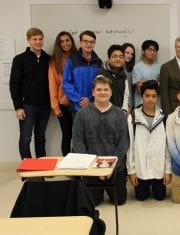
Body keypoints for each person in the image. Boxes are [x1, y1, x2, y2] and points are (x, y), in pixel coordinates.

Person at [72, 75, 129, 206]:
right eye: (99, 90)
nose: (102, 92)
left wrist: (110, 167)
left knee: (119, 201)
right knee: (93, 202)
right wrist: (94, 168)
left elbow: (123, 142)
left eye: (106, 89)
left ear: (111, 92)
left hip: (115, 167)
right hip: (91, 167)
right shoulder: (82, 114)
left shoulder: (119, 114)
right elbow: (78, 142)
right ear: (92, 92)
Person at [9, 27, 51, 159]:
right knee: (25, 138)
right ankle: (27, 170)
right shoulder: (19, 59)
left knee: (41, 137)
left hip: (45, 106)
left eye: (40, 39)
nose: (38, 42)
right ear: (28, 40)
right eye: (35, 39)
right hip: (27, 106)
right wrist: (18, 107)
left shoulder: (48, 59)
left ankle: (42, 168)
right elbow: (14, 84)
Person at [127, 80, 171, 201]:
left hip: (159, 170)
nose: (150, 99)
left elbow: (168, 147)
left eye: (153, 96)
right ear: (141, 97)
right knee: (141, 197)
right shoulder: (134, 116)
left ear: (158, 97)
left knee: (160, 197)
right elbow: (130, 146)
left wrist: (168, 171)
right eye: (147, 96)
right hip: (141, 169)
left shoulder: (164, 117)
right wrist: (131, 171)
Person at [48, 31, 78, 156]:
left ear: (71, 41)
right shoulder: (55, 62)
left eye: (68, 40)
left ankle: (79, 164)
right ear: (58, 44)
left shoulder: (78, 58)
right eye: (62, 41)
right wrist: (55, 106)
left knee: (78, 135)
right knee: (67, 135)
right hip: (64, 104)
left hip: (78, 103)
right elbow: (53, 85)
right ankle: (68, 164)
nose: (65, 43)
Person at [63, 30, 102, 114]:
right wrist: (79, 99)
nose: (88, 44)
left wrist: (90, 98)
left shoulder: (98, 62)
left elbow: (101, 84)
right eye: (85, 41)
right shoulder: (72, 60)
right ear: (80, 42)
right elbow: (66, 83)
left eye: (91, 42)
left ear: (94, 43)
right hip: (77, 106)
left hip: (94, 106)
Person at [97, 44, 129, 112]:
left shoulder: (123, 75)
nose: (118, 59)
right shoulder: (102, 75)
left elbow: (126, 95)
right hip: (105, 113)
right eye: (114, 56)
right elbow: (101, 97)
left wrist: (124, 110)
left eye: (121, 57)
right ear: (109, 59)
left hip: (120, 112)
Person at [132, 40, 161, 108]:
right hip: (141, 104)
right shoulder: (137, 68)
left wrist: (145, 83)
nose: (152, 52)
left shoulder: (160, 67)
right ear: (143, 51)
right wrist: (156, 83)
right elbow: (140, 90)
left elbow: (161, 88)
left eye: (154, 50)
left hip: (156, 105)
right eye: (149, 49)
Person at [121, 42, 135, 112]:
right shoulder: (114, 68)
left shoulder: (131, 71)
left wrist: (130, 106)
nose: (129, 56)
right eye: (127, 52)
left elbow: (131, 90)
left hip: (128, 106)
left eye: (132, 54)